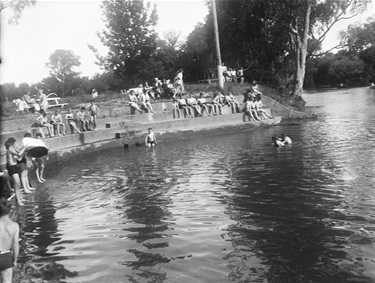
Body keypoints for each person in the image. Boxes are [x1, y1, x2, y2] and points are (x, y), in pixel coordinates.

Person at [0, 197, 20, 283]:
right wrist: (15, 260)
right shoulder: (14, 226)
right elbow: (16, 245)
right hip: (6, 257)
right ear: (10, 211)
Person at [5, 138, 24, 206]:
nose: (16, 144)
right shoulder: (9, 150)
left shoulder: (12, 150)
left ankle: (19, 198)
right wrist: (24, 148)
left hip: (15, 167)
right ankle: (18, 201)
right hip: (12, 168)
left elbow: (18, 157)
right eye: (15, 143)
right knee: (17, 183)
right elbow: (19, 154)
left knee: (18, 184)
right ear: (12, 144)